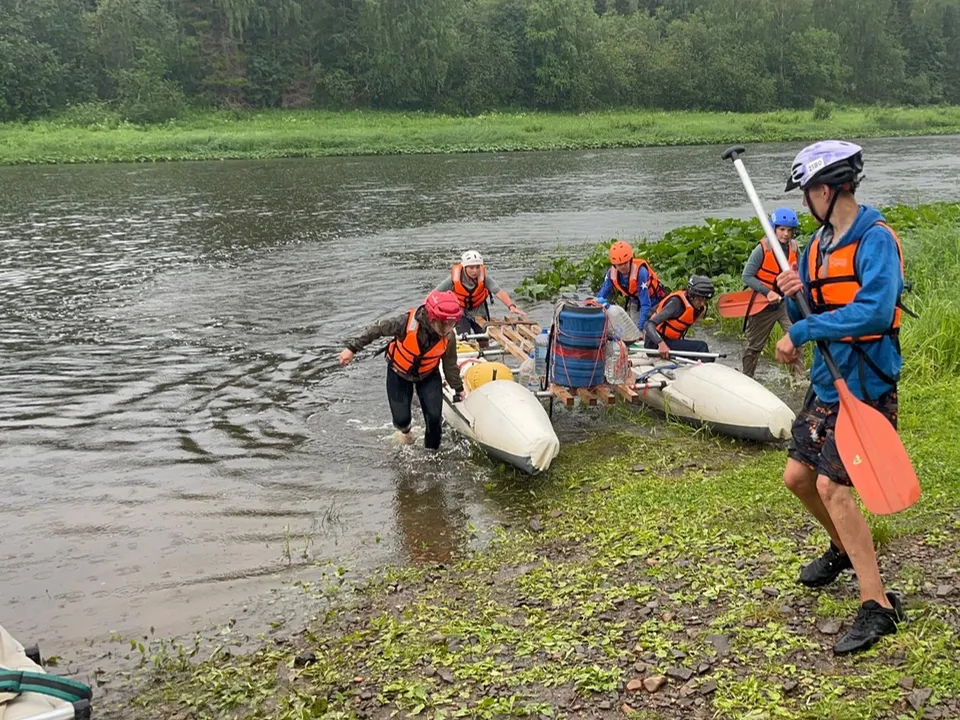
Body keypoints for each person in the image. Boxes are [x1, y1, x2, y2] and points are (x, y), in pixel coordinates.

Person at [774, 140, 907, 654]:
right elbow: (808, 312)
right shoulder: (816, 247)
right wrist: (793, 293)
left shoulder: (876, 239)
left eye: (807, 192)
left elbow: (874, 312)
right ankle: (842, 546)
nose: (806, 203)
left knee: (833, 485)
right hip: (828, 384)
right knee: (798, 477)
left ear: (826, 190)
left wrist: (803, 333)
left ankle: (878, 606)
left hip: (867, 386)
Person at [338, 290, 467, 450]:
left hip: (428, 375)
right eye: (444, 323)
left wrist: (458, 388)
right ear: (432, 318)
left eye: (452, 323)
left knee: (434, 420)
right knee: (401, 420)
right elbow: (376, 329)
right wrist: (351, 349)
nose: (448, 328)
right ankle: (406, 432)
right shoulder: (405, 323)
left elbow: (450, 366)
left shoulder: (449, 337)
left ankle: (431, 458)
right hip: (399, 372)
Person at [740, 207, 805, 378]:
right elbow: (746, 276)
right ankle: (747, 378)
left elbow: (801, 272)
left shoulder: (794, 248)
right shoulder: (761, 249)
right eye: (782, 229)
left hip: (785, 304)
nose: (786, 234)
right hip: (763, 305)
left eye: (790, 230)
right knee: (754, 346)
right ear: (774, 229)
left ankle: (799, 379)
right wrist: (767, 292)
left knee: (796, 339)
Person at [434, 250, 525, 336]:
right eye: (471, 268)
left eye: (477, 267)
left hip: (479, 309)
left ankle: (483, 349)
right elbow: (435, 294)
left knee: (483, 337)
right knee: (464, 336)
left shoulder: (484, 278)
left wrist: (511, 306)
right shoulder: (454, 279)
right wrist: (425, 308)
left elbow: (498, 292)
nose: (475, 271)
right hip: (461, 310)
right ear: (465, 267)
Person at [596, 240, 666, 333]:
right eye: (619, 265)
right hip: (635, 300)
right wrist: (594, 304)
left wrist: (640, 328)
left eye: (625, 263)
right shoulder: (611, 273)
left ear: (630, 260)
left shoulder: (641, 273)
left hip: (653, 301)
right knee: (633, 328)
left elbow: (645, 304)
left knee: (648, 329)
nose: (623, 267)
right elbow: (602, 294)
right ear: (614, 265)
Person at [643, 275, 715, 360]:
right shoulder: (676, 304)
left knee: (709, 356)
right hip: (655, 345)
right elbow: (649, 324)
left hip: (670, 341)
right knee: (701, 347)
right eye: (700, 300)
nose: (702, 304)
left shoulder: (697, 307)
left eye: (705, 300)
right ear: (691, 296)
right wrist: (661, 344)